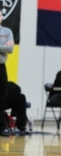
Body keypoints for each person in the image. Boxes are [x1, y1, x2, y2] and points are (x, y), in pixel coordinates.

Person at [0, 9, 14, 137]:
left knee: (1, 97)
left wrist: (5, 46)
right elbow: (5, 46)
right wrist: (2, 45)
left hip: (1, 68)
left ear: (2, 17)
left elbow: (10, 48)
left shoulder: (7, 32)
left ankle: (1, 126)